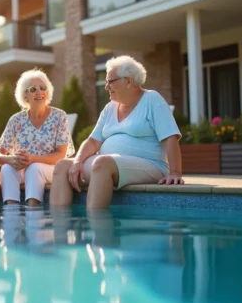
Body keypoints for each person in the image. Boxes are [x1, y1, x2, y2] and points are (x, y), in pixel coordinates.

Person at [50, 55, 184, 209]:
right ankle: (59, 227)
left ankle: (96, 227)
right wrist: (78, 162)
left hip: (150, 165)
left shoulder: (152, 100)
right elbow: (93, 141)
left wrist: (175, 172)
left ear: (128, 81)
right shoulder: (110, 107)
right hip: (108, 164)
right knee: (62, 166)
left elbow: (170, 137)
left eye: (109, 81)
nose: (106, 87)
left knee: (102, 162)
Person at [0, 69, 75, 206]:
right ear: (25, 95)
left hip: (51, 168)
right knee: (7, 169)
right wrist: (11, 159)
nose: (39, 92)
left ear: (47, 91)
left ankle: (33, 214)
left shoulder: (59, 116)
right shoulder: (16, 120)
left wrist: (32, 159)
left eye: (43, 88)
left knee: (34, 168)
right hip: (23, 168)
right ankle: (11, 214)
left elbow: (61, 155)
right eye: (33, 89)